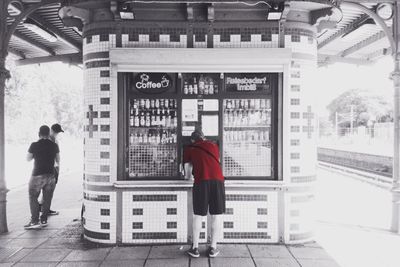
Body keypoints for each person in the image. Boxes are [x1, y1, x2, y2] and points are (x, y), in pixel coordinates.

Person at [183, 130, 225, 258]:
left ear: (192, 140)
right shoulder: (214, 146)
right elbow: (216, 161)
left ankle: (195, 248)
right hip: (218, 181)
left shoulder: (190, 148)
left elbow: (188, 171)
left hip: (201, 182)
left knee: (198, 215)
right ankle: (213, 248)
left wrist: (187, 177)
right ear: (204, 137)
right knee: (216, 215)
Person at [24, 125, 60, 229]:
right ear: (49, 134)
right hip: (50, 174)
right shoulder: (54, 145)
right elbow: (58, 160)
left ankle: (35, 221)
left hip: (37, 175)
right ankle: (44, 219)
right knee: (47, 197)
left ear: (38, 133)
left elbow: (28, 159)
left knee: (33, 197)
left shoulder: (34, 145)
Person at [38, 123, 64, 216]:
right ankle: (42, 208)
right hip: (48, 168)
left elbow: (58, 156)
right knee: (47, 189)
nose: (57, 134)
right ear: (51, 130)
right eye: (56, 132)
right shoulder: (45, 140)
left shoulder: (56, 141)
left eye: (58, 132)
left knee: (51, 189)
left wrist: (58, 167)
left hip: (55, 167)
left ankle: (45, 207)